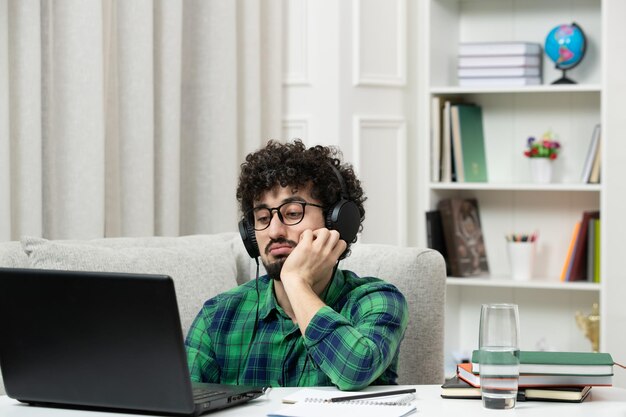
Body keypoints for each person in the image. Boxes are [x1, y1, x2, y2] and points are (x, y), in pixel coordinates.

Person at [185, 140, 408, 390]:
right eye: (262, 218)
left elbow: (355, 370)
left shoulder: (377, 301)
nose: (274, 231)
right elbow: (179, 401)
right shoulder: (217, 316)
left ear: (337, 222)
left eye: (292, 213)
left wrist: (296, 281)